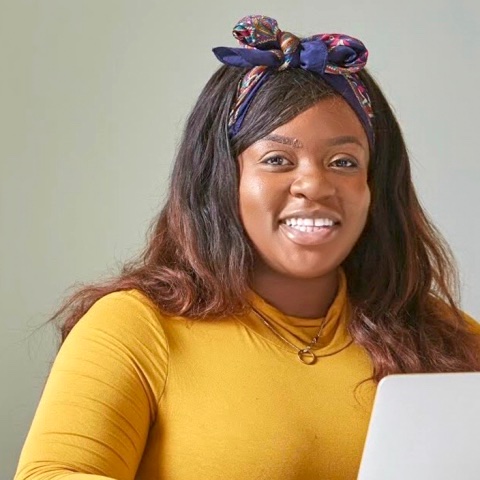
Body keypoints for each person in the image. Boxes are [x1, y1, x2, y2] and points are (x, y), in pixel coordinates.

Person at [15, 15, 480, 480]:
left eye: (344, 161)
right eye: (277, 160)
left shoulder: (451, 341)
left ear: (375, 186)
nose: (314, 185)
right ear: (221, 180)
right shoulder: (136, 326)